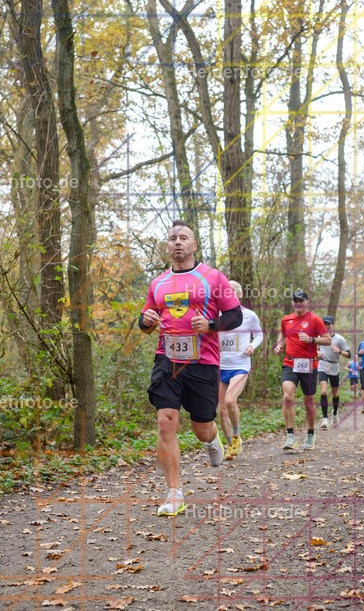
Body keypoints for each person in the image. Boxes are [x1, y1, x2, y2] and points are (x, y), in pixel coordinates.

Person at [139, 220, 243, 516]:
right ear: (167, 246)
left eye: (183, 238)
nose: (178, 242)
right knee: (165, 422)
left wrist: (211, 325)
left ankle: (212, 439)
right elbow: (145, 322)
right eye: (173, 238)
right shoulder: (158, 283)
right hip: (167, 360)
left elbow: (235, 315)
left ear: (194, 245)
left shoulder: (213, 277)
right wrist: (146, 322)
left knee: (201, 429)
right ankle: (174, 494)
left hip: (203, 362)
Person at [273, 290, 331, 451]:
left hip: (309, 364)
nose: (298, 303)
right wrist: (279, 346)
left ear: (307, 303)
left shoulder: (315, 320)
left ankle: (311, 433)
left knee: (309, 402)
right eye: (295, 301)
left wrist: (312, 339)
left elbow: (328, 340)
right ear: (292, 303)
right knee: (287, 396)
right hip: (290, 363)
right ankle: (290, 436)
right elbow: (284, 335)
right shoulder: (286, 319)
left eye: (301, 301)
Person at [218, 280, 264, 460]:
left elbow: (259, 335)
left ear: (240, 294)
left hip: (240, 365)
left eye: (232, 290)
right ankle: (230, 443)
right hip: (220, 366)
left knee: (230, 401)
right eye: (225, 290)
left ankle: (236, 435)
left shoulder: (249, 315)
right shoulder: (218, 315)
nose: (228, 293)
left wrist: (252, 345)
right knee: (221, 410)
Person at [317, 316, 350, 428]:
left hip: (334, 366)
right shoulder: (319, 337)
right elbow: (316, 349)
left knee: (335, 393)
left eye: (329, 324)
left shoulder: (339, 339)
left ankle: (335, 413)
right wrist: (317, 353)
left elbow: (348, 354)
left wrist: (339, 351)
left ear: (333, 325)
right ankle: (325, 419)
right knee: (324, 391)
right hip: (323, 364)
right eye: (325, 324)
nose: (327, 326)